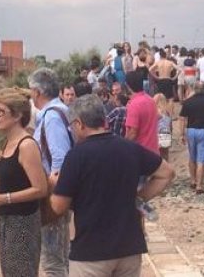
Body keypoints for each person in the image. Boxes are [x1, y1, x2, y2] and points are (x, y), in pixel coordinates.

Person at [47, 95, 175, 277]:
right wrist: (139, 198)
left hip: (91, 251)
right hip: (129, 247)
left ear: (79, 124)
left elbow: (59, 206)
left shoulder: (76, 156)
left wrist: (52, 185)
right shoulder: (130, 148)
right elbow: (167, 173)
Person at [0, 88, 49, 277]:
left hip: (23, 223)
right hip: (6, 221)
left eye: (1, 112)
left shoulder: (26, 145)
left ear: (17, 115)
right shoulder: (6, 144)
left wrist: (4, 199)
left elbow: (40, 188)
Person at [30, 68, 74, 277]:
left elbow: (60, 160)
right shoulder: (60, 111)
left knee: (54, 262)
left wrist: (49, 190)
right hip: (59, 193)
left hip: (54, 194)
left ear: (37, 92)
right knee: (60, 258)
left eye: (31, 91)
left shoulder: (52, 117)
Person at [154, 94, 173, 161]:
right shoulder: (167, 112)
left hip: (158, 133)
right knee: (165, 154)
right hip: (166, 133)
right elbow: (170, 125)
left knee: (157, 154)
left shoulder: (155, 111)